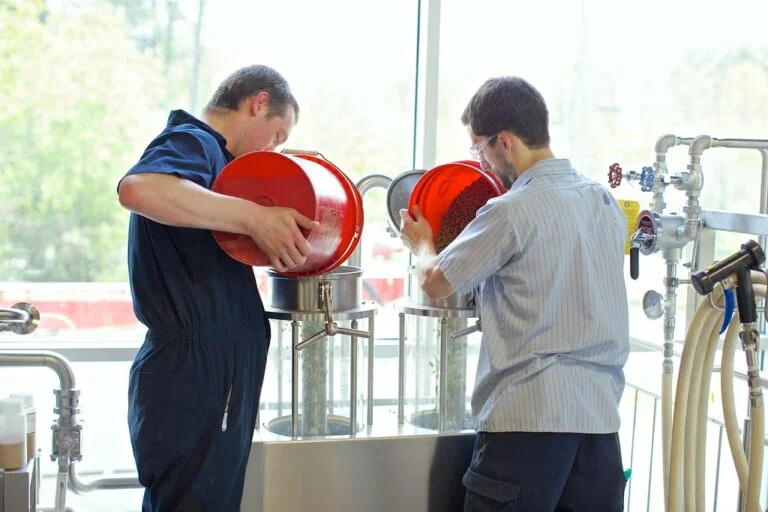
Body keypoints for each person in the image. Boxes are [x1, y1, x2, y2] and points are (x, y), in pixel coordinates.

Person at [399, 76, 630, 511]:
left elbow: (435, 283)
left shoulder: (510, 211)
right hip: (600, 425)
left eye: (480, 149)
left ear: (504, 142)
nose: (482, 163)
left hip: (527, 421)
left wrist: (422, 243)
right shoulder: (603, 202)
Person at [117, 64, 319, 511]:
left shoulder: (219, 173)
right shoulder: (195, 141)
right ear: (258, 103)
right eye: (277, 135)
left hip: (209, 372)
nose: (273, 150)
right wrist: (254, 217)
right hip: (194, 371)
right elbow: (138, 189)